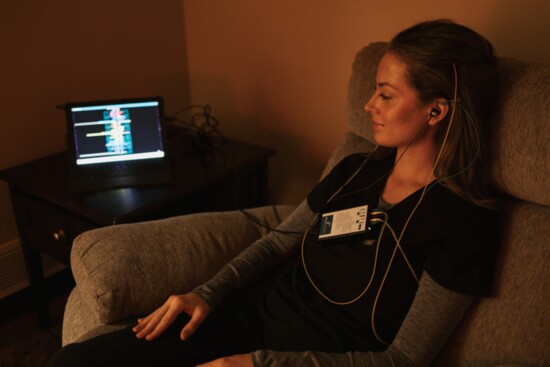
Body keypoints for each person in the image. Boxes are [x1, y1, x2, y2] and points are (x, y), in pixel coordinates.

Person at [49, 19, 501, 367]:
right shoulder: (356, 170)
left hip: (313, 361)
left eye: (385, 95)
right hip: (251, 325)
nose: (368, 107)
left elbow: (402, 360)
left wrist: (259, 364)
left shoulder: (463, 222)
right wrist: (206, 294)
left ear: (437, 110)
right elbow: (279, 241)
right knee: (77, 361)